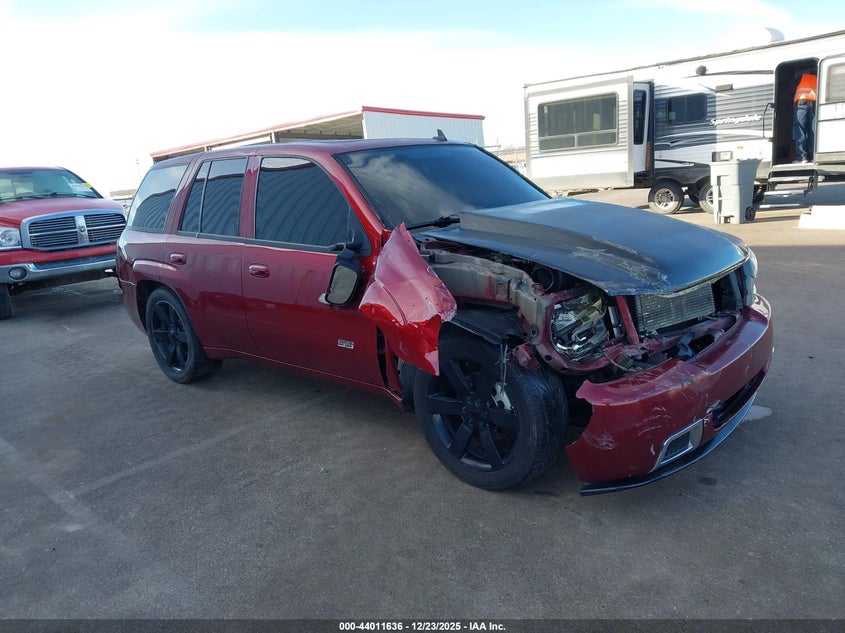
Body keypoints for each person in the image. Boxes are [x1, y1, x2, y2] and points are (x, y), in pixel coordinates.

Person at [793, 72, 817, 163]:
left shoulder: (800, 77)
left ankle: (802, 157)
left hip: (801, 105)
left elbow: (789, 90)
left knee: (800, 131)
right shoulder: (817, 77)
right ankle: (812, 157)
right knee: (812, 131)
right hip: (814, 106)